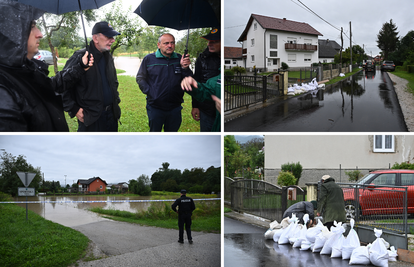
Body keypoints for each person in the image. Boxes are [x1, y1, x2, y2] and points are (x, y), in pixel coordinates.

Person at [0, 0, 93, 131]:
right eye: (32, 26)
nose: (40, 34)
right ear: (12, 32)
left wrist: (80, 67)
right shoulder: (4, 91)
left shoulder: (25, 69)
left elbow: (52, 85)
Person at [62, 21, 121, 132]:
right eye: (108, 36)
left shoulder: (108, 56)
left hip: (111, 116)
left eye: (112, 37)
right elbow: (62, 87)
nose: (112, 40)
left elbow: (114, 82)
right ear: (95, 38)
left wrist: (115, 100)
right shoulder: (80, 57)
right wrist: (74, 109)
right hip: (91, 119)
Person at [136, 33, 192, 132]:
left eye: (172, 43)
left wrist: (185, 68)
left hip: (175, 107)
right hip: (155, 107)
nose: (169, 46)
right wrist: (151, 92)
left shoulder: (180, 59)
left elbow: (189, 79)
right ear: (159, 45)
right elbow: (140, 78)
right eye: (166, 43)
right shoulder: (149, 59)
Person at [191, 28, 221, 132]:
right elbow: (197, 81)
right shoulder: (202, 58)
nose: (209, 44)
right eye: (208, 41)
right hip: (207, 109)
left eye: (214, 41)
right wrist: (195, 106)